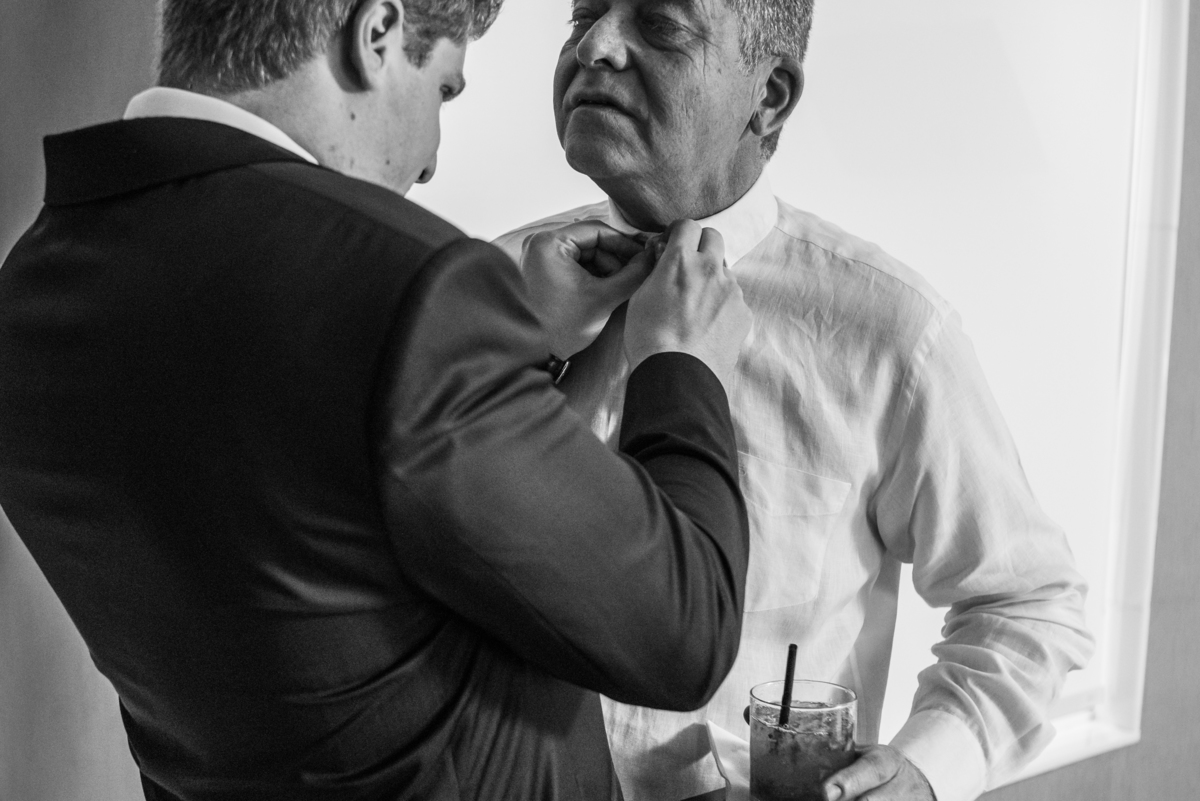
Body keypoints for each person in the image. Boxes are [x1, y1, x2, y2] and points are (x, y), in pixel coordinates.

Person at [0, 1, 758, 799]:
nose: (428, 163)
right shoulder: (408, 285)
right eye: (443, 90)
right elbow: (685, 635)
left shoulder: (32, 293)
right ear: (376, 33)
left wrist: (526, 348)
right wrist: (681, 362)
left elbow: (347, 538)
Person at [494, 1, 1095, 800]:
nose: (596, 46)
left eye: (660, 24)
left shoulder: (888, 334)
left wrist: (926, 769)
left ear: (769, 95)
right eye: (582, 15)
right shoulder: (484, 290)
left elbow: (1028, 600)